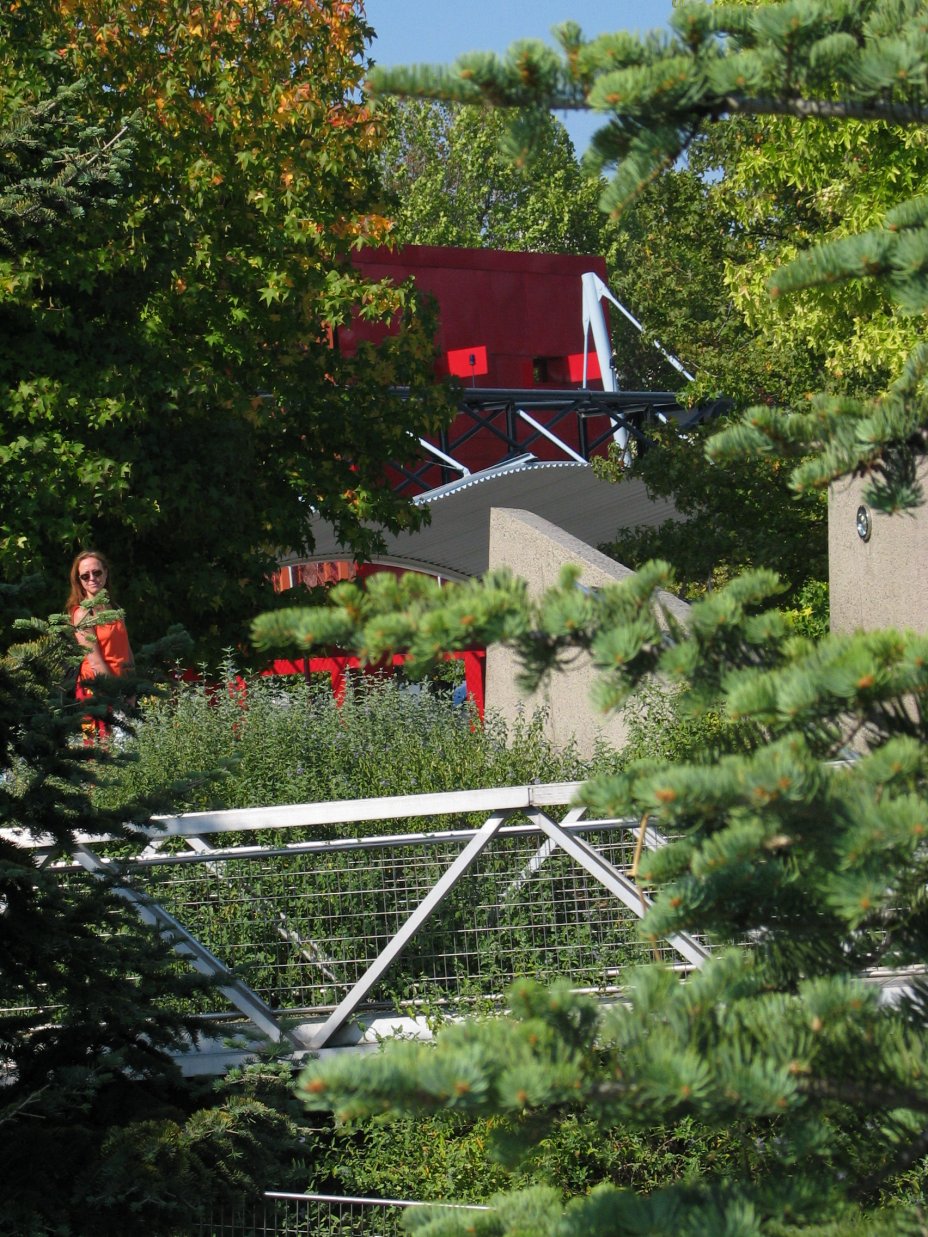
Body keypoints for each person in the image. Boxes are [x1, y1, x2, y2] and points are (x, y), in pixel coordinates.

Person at [67, 550, 135, 740]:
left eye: (96, 572)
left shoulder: (114, 607)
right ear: (79, 580)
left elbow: (126, 651)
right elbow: (95, 662)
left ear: (105, 572)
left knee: (127, 747)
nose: (92, 578)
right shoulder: (82, 614)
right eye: (85, 576)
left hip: (122, 687)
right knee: (101, 751)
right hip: (97, 691)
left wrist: (132, 688)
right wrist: (117, 696)